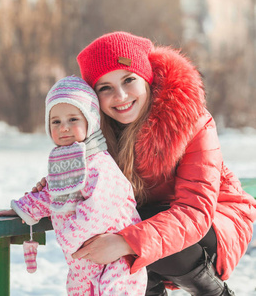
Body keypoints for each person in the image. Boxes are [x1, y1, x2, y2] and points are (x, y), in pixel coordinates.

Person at [33, 31, 256, 296]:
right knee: (125, 227)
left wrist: (125, 242)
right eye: (106, 88)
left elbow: (194, 212)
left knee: (136, 227)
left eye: (129, 80)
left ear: (146, 78)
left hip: (214, 221)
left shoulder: (190, 120)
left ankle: (215, 293)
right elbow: (95, 188)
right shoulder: (95, 136)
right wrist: (50, 192)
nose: (121, 96)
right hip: (148, 220)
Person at [0, 75, 147, 295]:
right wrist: (23, 209)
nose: (63, 128)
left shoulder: (100, 165)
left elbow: (97, 211)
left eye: (73, 120)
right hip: (82, 264)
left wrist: (68, 237)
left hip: (116, 261)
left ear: (91, 121)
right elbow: (52, 195)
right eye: (56, 122)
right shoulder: (65, 163)